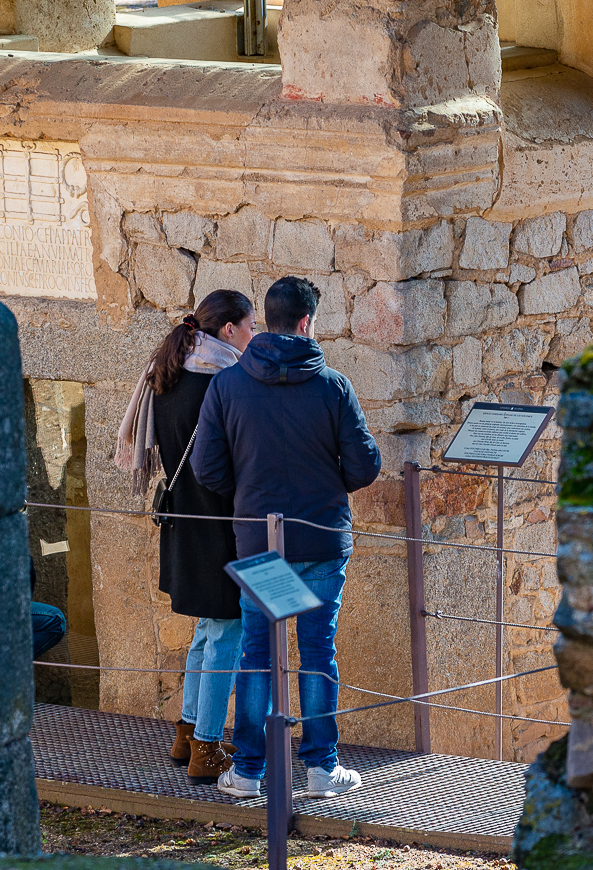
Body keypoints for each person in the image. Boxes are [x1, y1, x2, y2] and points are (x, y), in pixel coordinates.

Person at [191, 275, 381, 800]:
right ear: (305, 323)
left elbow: (208, 468)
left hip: (260, 541)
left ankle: (249, 771)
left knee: (257, 650)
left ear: (267, 323)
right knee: (318, 650)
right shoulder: (332, 385)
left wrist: (249, 494)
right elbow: (365, 466)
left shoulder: (227, 386)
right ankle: (322, 768)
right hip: (320, 538)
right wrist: (326, 481)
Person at [115, 289, 256, 782]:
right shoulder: (221, 382)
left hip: (185, 520)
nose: (254, 335)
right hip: (216, 523)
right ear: (228, 331)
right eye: (250, 326)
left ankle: (188, 731)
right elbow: (221, 466)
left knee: (206, 629)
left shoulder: (168, 375)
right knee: (226, 631)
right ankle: (208, 748)